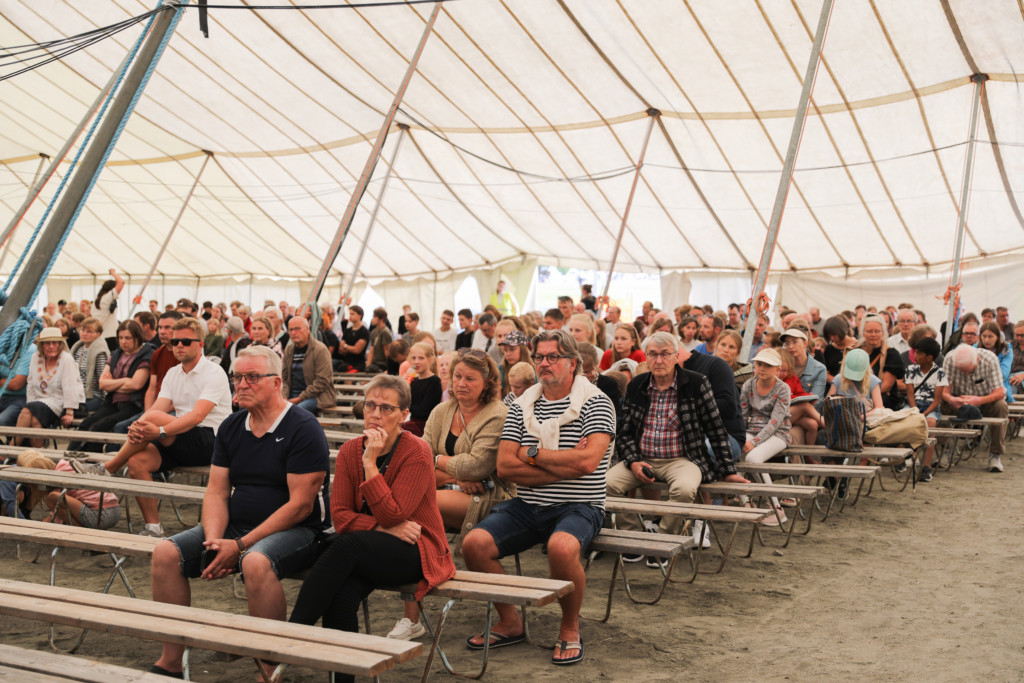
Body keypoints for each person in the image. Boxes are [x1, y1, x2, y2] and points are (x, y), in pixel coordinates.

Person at [148, 346, 332, 678]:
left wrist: (241, 545)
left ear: (276, 382)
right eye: (238, 377)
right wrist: (215, 543)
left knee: (255, 561)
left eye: (252, 377)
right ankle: (171, 659)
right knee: (165, 553)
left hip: (300, 530)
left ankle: (269, 667)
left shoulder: (303, 427)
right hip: (237, 527)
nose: (242, 384)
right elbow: (217, 492)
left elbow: (300, 506)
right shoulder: (232, 426)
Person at [461, 330, 614, 665]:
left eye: (553, 357)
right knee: (474, 544)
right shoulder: (521, 404)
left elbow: (588, 463)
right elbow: (505, 466)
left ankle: (570, 627)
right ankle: (510, 621)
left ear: (573, 363)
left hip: (581, 505)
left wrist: (531, 453)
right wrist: (565, 465)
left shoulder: (596, 402)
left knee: (562, 547)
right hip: (528, 504)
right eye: (540, 357)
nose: (544, 363)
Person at [288, 375, 456, 682]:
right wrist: (381, 529)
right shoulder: (350, 450)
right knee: (342, 595)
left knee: (345, 547)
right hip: (368, 547)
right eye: (370, 405)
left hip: (418, 549)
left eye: (386, 408)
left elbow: (395, 513)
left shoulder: (417, 451)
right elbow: (341, 517)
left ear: (403, 415)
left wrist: (370, 464)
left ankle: (291, 636)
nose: (376, 414)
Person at [386, 349, 511, 640]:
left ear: (487, 381)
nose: (461, 383)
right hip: (446, 487)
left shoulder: (497, 414)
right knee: (412, 522)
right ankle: (412, 615)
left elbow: (478, 466)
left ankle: (412, 615)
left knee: (411, 513)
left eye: (470, 378)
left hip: (490, 495)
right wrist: (454, 476)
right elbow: (418, 459)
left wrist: (439, 462)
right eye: (457, 376)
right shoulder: (442, 410)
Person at [73, 317, 232, 538]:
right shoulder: (173, 373)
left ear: (201, 344)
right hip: (179, 436)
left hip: (211, 440)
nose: (179, 346)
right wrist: (139, 426)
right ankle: (153, 527)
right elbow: (157, 409)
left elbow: (197, 416)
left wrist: (159, 431)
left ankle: (109, 467)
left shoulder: (214, 372)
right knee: (137, 461)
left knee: (154, 418)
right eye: (175, 342)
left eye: (186, 341)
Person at [606, 332, 749, 559]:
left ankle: (663, 541)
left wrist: (728, 470)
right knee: (605, 485)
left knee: (684, 490)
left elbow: (716, 429)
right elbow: (625, 432)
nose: (659, 360)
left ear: (676, 356)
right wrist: (633, 462)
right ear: (646, 357)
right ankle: (632, 537)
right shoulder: (637, 385)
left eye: (665, 354)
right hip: (643, 458)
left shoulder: (696, 383)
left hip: (683, 459)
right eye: (653, 354)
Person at [69, 321, 152, 452]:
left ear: (137, 338)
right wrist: (125, 381)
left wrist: (113, 384)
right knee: (86, 423)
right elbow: (102, 384)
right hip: (112, 402)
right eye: (121, 338)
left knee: (101, 426)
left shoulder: (146, 355)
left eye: (128, 338)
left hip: (133, 404)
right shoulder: (116, 354)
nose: (123, 341)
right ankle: (69, 456)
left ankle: (89, 459)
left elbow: (136, 385)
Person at [739, 348, 791, 524]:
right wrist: (740, 436)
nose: (762, 368)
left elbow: (775, 422)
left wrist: (754, 442)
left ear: (777, 369)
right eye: (759, 363)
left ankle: (776, 507)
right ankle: (745, 501)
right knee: (732, 450)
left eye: (768, 365)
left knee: (753, 459)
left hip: (779, 433)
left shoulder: (783, 388)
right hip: (752, 430)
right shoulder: (748, 385)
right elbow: (743, 415)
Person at [942, 343, 1009, 472]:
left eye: (968, 370)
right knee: (941, 403)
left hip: (984, 401)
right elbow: (943, 391)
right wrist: (951, 399)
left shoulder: (990, 359)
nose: (965, 373)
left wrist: (979, 400)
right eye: (961, 370)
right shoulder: (950, 359)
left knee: (1001, 406)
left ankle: (995, 455)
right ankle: (944, 450)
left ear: (977, 360)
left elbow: (1000, 392)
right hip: (958, 402)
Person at [16, 328, 84, 448]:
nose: (51, 346)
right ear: (41, 345)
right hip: (39, 402)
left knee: (26, 411)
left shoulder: (66, 359)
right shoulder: (36, 357)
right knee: (34, 419)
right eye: (47, 343)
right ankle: (38, 454)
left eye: (54, 342)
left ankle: (10, 450)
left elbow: (70, 386)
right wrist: (31, 404)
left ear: (60, 344)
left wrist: (69, 412)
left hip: (60, 401)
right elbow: (30, 384)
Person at [903, 337, 947, 482]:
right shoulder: (910, 370)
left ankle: (926, 466)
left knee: (931, 423)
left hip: (930, 406)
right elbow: (910, 394)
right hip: (912, 404)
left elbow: (936, 400)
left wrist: (924, 413)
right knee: (903, 420)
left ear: (929, 357)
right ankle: (903, 457)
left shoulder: (940, 372)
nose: (915, 356)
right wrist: (915, 410)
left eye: (919, 353)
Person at [44, 458, 121, 529]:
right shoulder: (67, 466)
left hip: (100, 515)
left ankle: (81, 531)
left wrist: (48, 520)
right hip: (116, 510)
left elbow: (59, 506)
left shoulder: (59, 477)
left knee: (52, 498)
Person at [281, 316, 334, 415]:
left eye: (297, 329)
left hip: (317, 396)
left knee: (296, 411)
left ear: (307, 329)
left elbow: (322, 381)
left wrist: (301, 398)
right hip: (292, 394)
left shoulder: (320, 350)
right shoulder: (288, 350)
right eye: (291, 330)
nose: (293, 333)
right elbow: (284, 379)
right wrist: (284, 397)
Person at [777, 349, 821, 446]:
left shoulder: (792, 378)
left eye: (788, 371)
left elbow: (800, 392)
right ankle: (826, 424)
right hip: (779, 415)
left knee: (813, 424)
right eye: (782, 370)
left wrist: (809, 397)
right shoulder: (772, 381)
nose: (785, 374)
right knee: (805, 406)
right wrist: (795, 397)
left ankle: (809, 452)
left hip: (794, 414)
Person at [826, 348, 884, 416]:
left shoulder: (873, 380)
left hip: (865, 420)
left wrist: (860, 417)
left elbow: (879, 408)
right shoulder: (838, 379)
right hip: (842, 419)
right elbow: (827, 404)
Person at [401, 342, 442, 437]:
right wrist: (404, 386)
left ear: (430, 360)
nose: (416, 361)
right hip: (413, 423)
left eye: (421, 358)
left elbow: (422, 411)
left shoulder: (434, 381)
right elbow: (403, 403)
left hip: (425, 426)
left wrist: (408, 407)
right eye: (414, 358)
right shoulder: (414, 381)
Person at [69, 317, 108, 414]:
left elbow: (103, 380)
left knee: (69, 410)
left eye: (89, 331)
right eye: (82, 330)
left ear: (99, 334)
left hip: (94, 396)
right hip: (77, 394)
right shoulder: (77, 348)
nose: (84, 333)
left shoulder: (100, 352)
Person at [779, 328, 827, 398]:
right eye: (787, 343)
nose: (790, 346)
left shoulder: (819, 369)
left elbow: (816, 401)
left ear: (805, 343)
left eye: (795, 342)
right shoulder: (780, 365)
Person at [978, 320, 1014, 404]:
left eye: (990, 336)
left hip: (999, 388)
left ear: (997, 337)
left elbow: (1003, 373)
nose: (987, 340)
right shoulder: (975, 348)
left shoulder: (1006, 350)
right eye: (984, 336)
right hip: (978, 388)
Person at [93, 268, 125, 351]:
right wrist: (113, 272)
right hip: (110, 336)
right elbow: (121, 282)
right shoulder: (107, 298)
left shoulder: (97, 301)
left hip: (100, 336)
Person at [822, 315, 859, 380]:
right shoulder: (829, 349)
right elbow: (825, 373)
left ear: (841, 331)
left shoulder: (857, 346)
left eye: (834, 335)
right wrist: (837, 382)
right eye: (829, 336)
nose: (832, 338)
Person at [497, 330, 533, 395]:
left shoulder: (533, 371)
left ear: (523, 350)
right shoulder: (500, 369)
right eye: (505, 350)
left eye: (512, 349)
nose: (508, 354)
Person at [367, 307, 393, 373]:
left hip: (382, 364)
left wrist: (389, 369)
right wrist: (367, 366)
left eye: (375, 317)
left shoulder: (385, 332)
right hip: (374, 363)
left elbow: (387, 352)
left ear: (382, 319)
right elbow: (371, 351)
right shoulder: (374, 332)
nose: (372, 319)